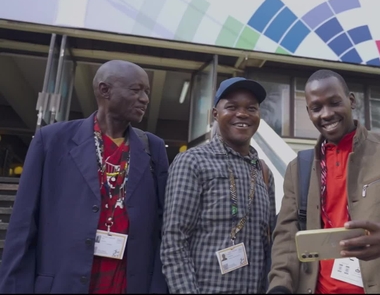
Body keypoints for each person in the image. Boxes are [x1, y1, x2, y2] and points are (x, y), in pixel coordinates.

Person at [268, 69, 380, 294]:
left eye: (334, 102)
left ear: (351, 100)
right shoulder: (298, 168)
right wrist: (279, 287)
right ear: (309, 112)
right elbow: (286, 237)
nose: (326, 114)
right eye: (316, 108)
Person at [0, 60, 169, 294]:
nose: (145, 99)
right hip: (63, 283)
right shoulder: (52, 140)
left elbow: (163, 227)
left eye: (147, 92)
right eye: (135, 90)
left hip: (127, 284)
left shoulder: (153, 148)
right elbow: (23, 224)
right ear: (104, 90)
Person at [161, 77, 276, 294]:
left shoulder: (263, 172)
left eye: (251, 108)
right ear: (215, 113)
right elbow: (174, 241)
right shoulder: (193, 161)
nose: (242, 114)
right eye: (231, 107)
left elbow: (268, 246)